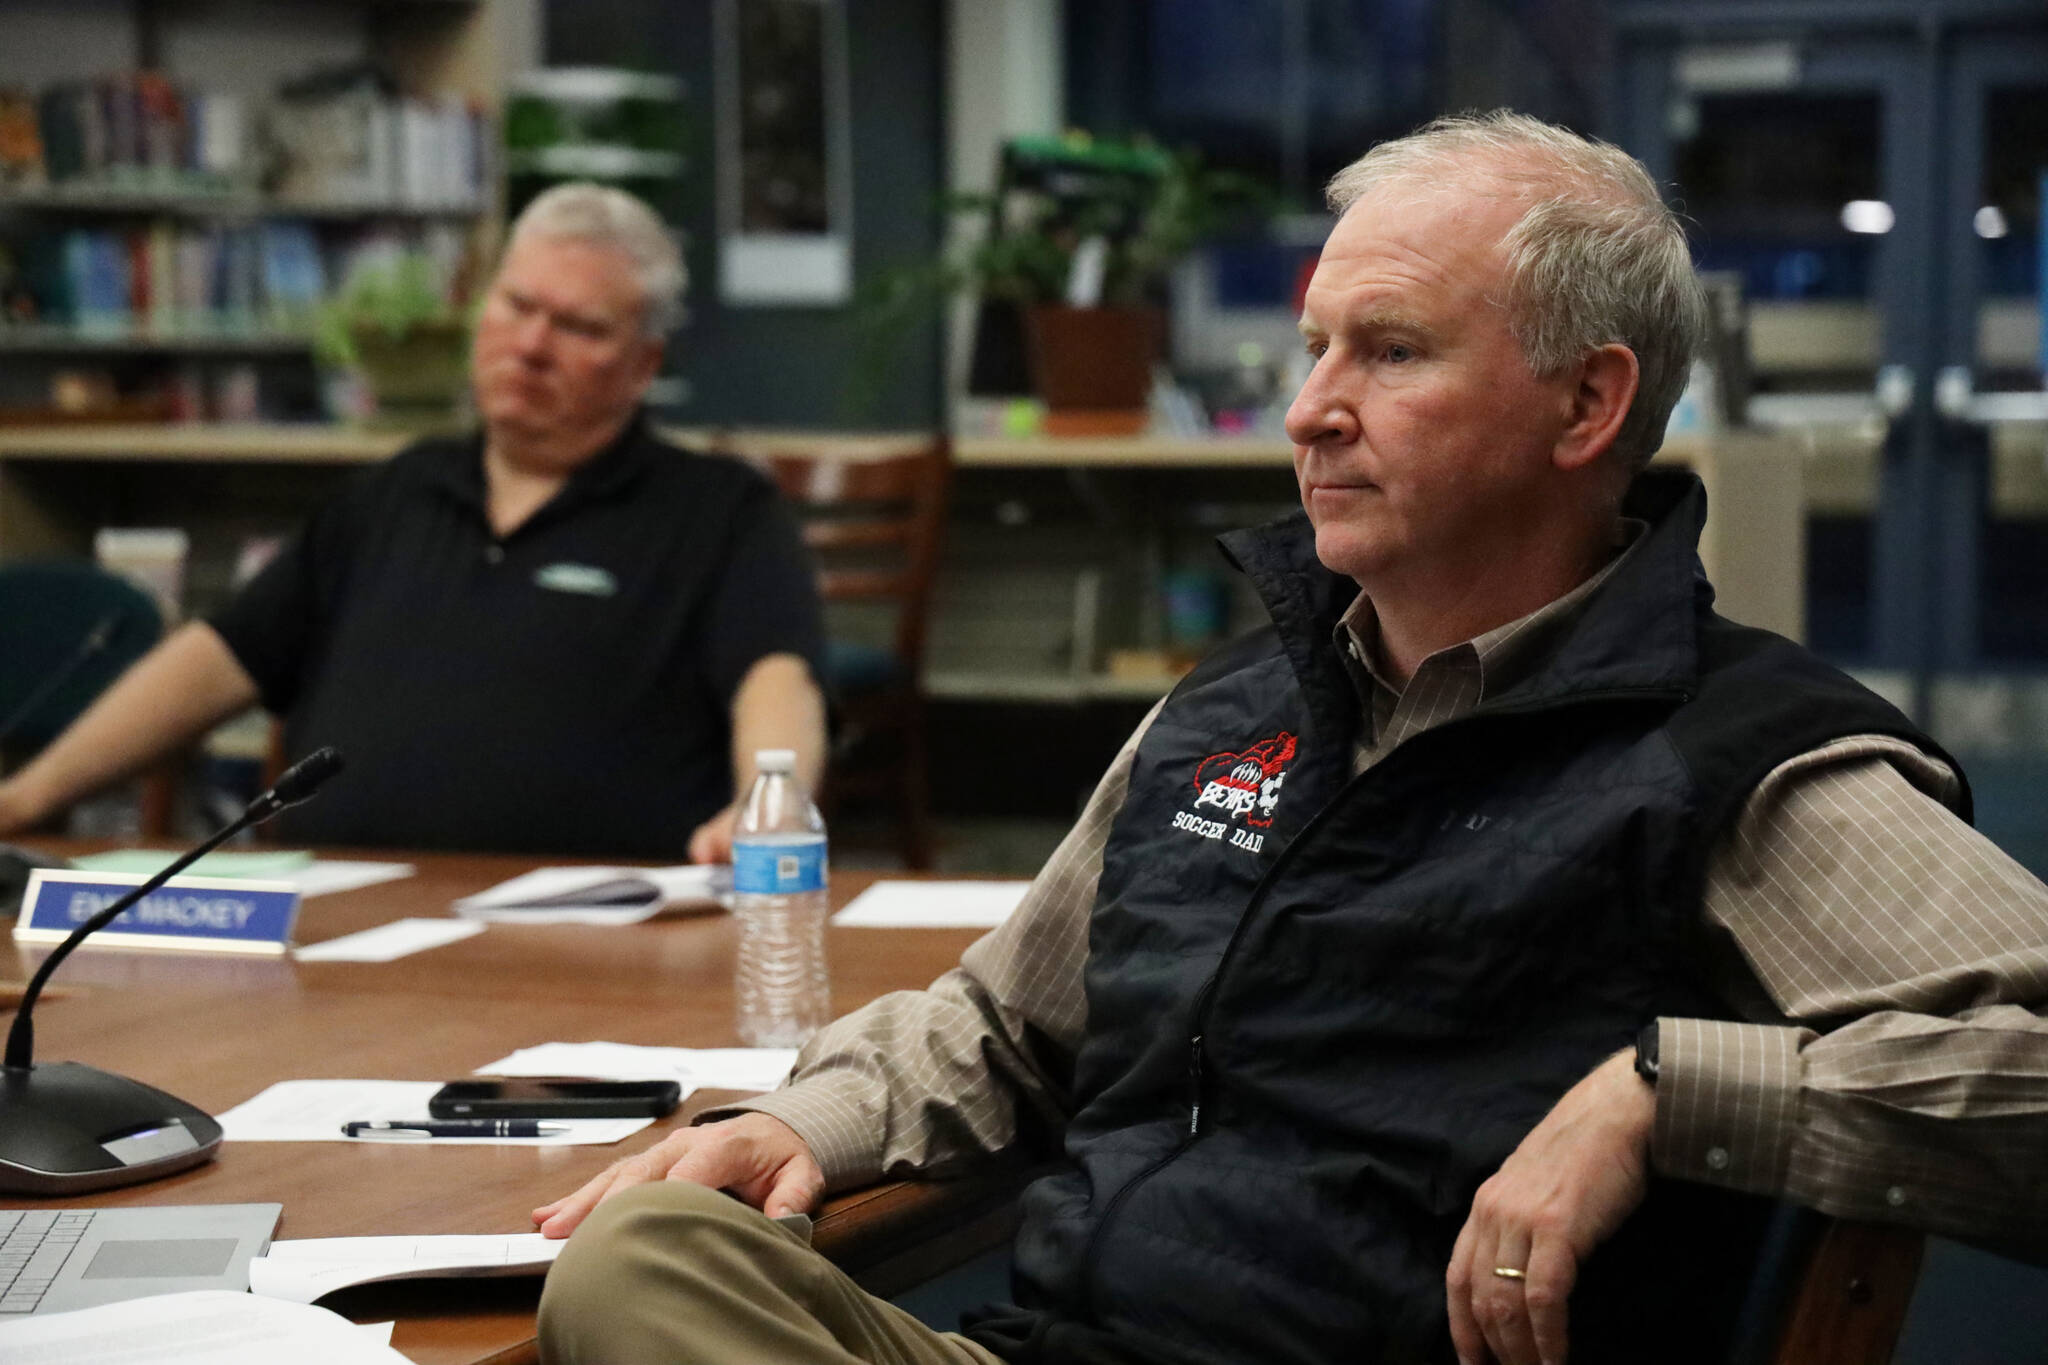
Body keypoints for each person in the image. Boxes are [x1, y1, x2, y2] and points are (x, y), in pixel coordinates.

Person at [531, 113, 2048, 1365]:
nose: (1311, 410)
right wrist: (809, 1115)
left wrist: (1660, 1090)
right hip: (1065, 1345)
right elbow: (1002, 1024)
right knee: (643, 1260)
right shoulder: (1235, 707)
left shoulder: (1739, 753)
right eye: (1313, 349)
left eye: (1388, 353)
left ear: (1588, 404)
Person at [0, 184, 826, 861]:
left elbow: (775, 679)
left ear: (645, 363)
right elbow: (221, 655)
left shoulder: (717, 510)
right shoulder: (392, 493)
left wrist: (767, 810)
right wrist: (27, 796)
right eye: (516, 306)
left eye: (577, 326)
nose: (531, 345)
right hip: (337, 912)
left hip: (597, 926)